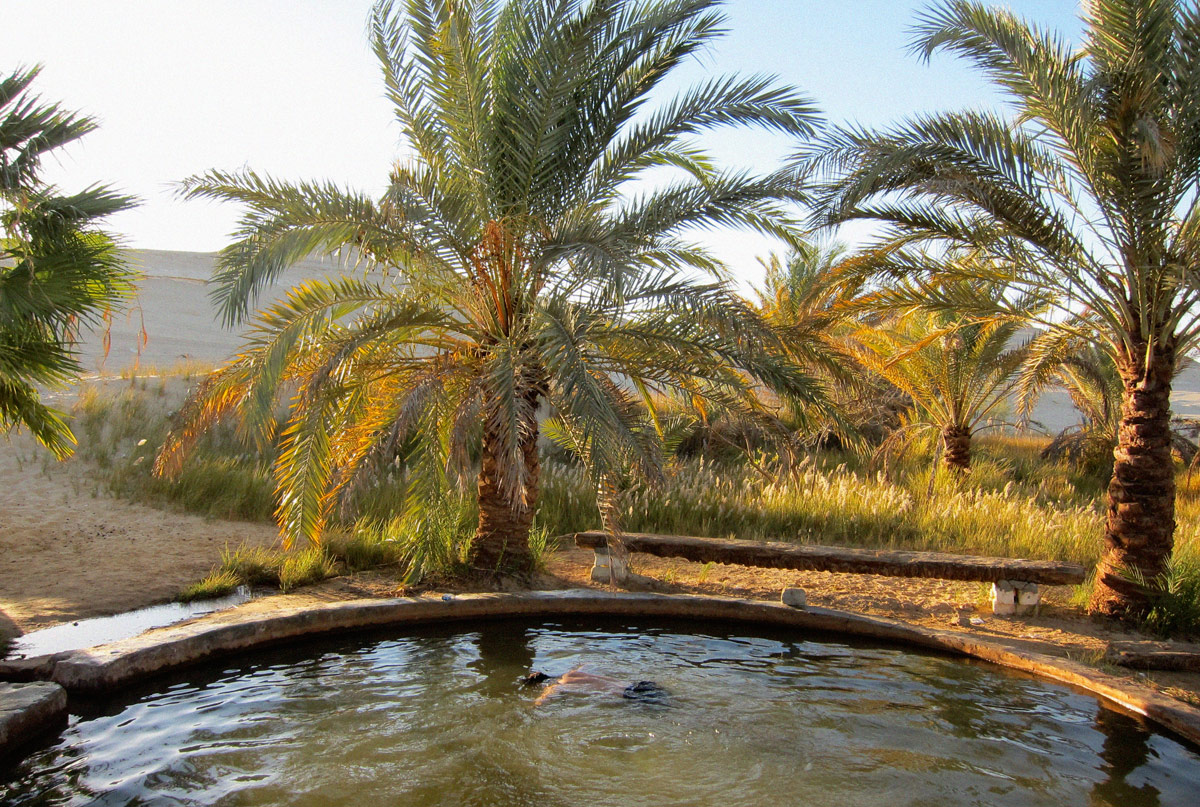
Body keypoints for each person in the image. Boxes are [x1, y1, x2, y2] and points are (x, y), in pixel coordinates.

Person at [524, 665, 666, 706]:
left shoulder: (558, 685)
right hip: (638, 685)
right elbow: (586, 664)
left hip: (631, 695)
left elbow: (541, 702)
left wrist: (532, 704)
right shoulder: (571, 674)